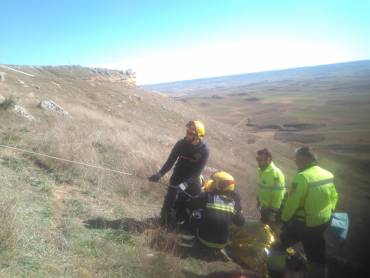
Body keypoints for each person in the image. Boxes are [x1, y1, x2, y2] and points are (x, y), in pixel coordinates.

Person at [268, 147, 338, 278]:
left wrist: (284, 220)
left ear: (304, 159)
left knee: (278, 247)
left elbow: (291, 203)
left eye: (297, 159)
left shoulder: (301, 178)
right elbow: (334, 196)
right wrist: (331, 210)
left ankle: (275, 274)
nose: (295, 162)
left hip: (305, 223)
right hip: (323, 221)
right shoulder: (328, 174)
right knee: (317, 257)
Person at [148, 120, 209, 227]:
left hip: (192, 182)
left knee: (191, 207)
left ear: (198, 135)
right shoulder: (181, 144)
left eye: (191, 133)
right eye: (187, 131)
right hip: (177, 178)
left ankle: (186, 228)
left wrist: (185, 184)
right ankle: (164, 225)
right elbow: (170, 161)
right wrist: (159, 174)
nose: (188, 134)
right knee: (169, 205)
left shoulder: (204, 150)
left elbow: (197, 172)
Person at [188, 171, 245, 254]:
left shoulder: (208, 196)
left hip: (203, 240)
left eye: (214, 183)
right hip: (222, 244)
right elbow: (240, 222)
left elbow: (191, 203)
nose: (212, 185)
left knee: (197, 213)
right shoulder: (234, 203)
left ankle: (192, 237)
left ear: (222, 185)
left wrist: (201, 194)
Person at [256, 148, 286, 225]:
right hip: (264, 208)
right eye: (257, 159)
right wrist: (259, 200)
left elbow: (278, 195)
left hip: (272, 210)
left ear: (268, 160)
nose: (258, 162)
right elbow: (261, 188)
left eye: (260, 160)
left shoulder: (276, 174)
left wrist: (273, 213)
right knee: (264, 229)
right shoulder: (261, 171)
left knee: (272, 231)